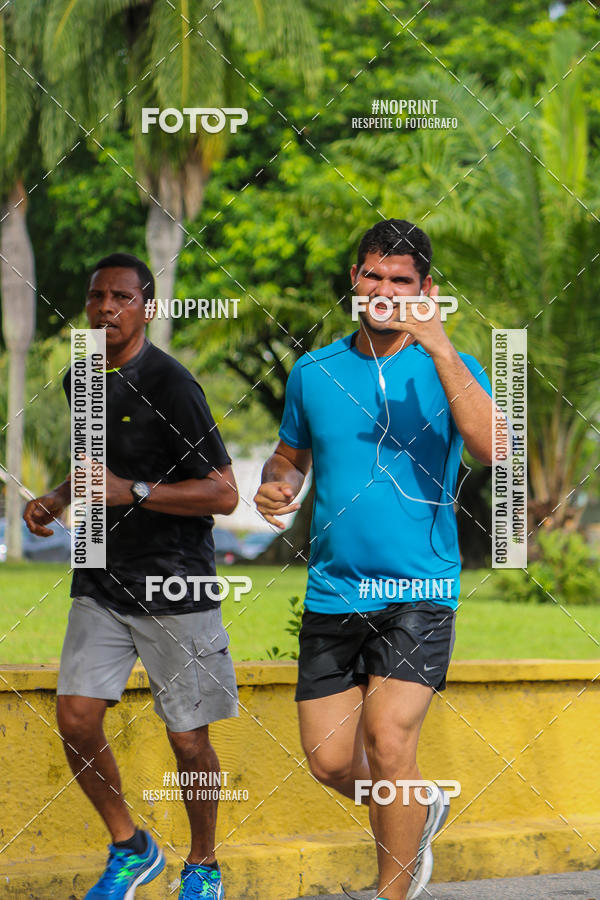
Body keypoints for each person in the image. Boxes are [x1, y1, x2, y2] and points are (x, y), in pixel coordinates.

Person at [254, 220, 494, 900]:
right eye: (373, 276)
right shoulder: (314, 371)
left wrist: (441, 347)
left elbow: (492, 447)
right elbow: (290, 454)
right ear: (353, 281)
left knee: (389, 741)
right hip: (333, 593)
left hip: (419, 590)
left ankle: (390, 889)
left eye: (401, 280)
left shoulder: (452, 367)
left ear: (427, 290)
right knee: (331, 762)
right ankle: (416, 805)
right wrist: (278, 482)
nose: (385, 290)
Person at [24, 253, 238, 900]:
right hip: (101, 583)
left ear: (146, 308)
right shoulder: (80, 379)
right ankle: (130, 845)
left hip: (176, 587)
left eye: (121, 297)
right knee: (76, 719)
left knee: (190, 741)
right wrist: (59, 499)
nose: (106, 308)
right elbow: (97, 465)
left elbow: (224, 493)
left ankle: (203, 864)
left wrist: (134, 491)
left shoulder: (172, 385)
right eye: (96, 297)